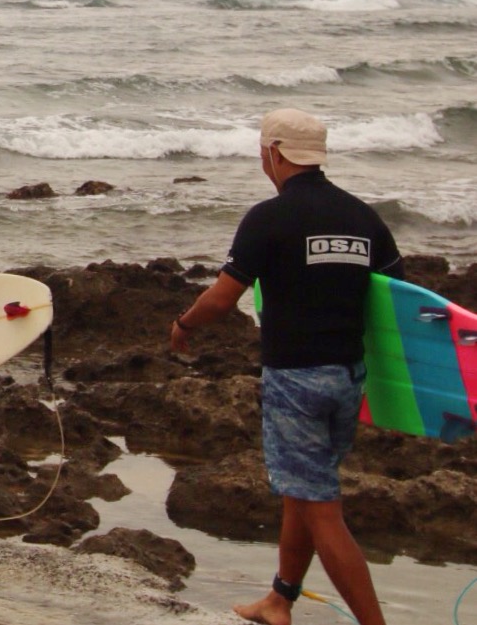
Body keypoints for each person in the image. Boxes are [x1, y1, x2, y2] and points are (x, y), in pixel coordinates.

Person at [171, 108, 402, 625]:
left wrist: (183, 324)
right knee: (305, 491)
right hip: (348, 378)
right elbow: (396, 299)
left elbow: (222, 299)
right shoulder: (363, 218)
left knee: (322, 511)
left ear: (274, 153)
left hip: (296, 380)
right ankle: (280, 600)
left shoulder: (268, 218)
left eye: (262, 151)